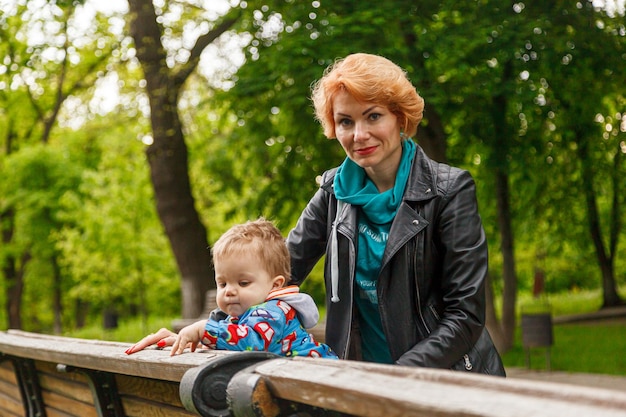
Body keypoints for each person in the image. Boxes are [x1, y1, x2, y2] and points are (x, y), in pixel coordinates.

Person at [285, 53, 505, 375]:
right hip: (363, 384)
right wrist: (215, 326)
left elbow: (465, 315)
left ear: (400, 118)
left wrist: (399, 375)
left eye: (373, 116)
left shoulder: (449, 191)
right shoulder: (334, 191)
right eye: (346, 121)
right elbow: (278, 272)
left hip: (445, 381)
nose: (359, 135)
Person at [125, 218, 336, 359]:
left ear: (275, 284)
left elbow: (252, 341)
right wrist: (203, 343)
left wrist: (204, 330)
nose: (229, 291)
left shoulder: (275, 311)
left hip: (323, 387)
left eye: (243, 283)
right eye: (222, 283)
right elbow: (235, 340)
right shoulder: (239, 319)